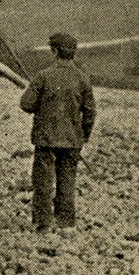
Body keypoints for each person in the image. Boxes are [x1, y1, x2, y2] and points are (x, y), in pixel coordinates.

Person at [19, 32, 96, 231]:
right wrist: (84, 136)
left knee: (43, 183)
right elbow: (90, 112)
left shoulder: (43, 76)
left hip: (46, 139)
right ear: (73, 53)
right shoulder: (82, 79)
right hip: (72, 141)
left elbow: (26, 104)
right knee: (67, 182)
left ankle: (43, 224)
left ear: (54, 51)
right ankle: (65, 223)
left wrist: (38, 95)